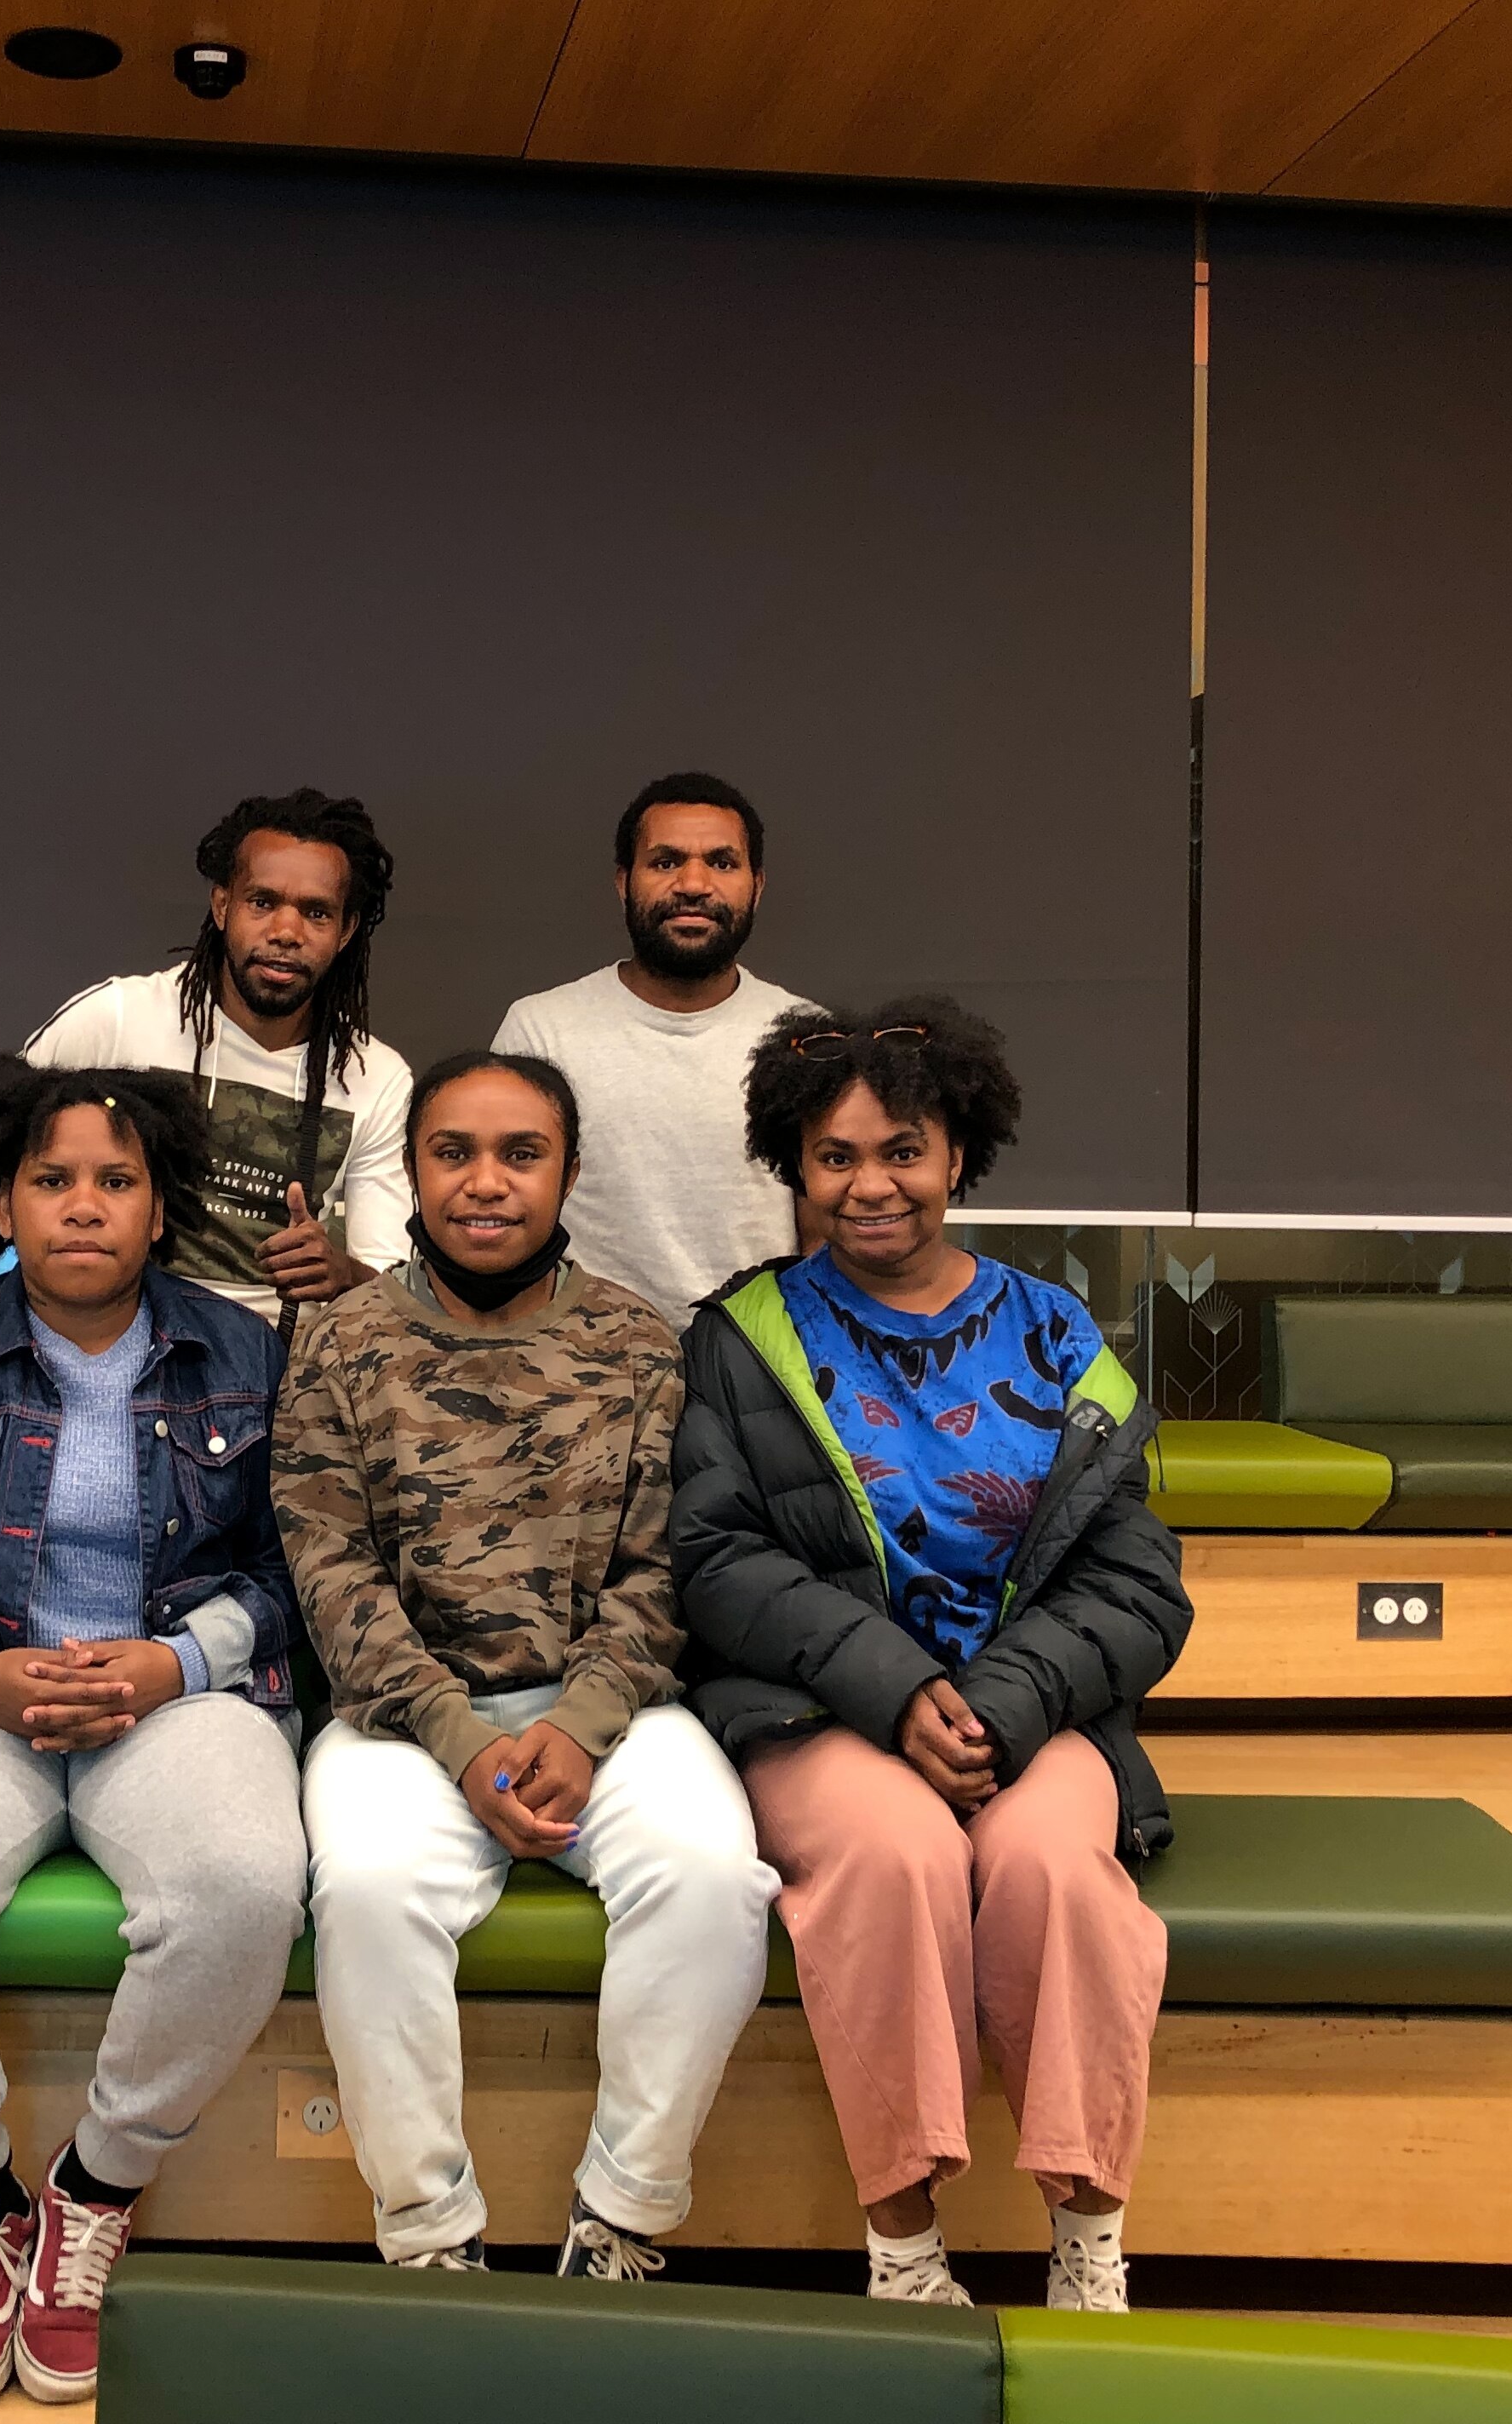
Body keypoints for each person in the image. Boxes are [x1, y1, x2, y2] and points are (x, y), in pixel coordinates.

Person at [668, 998, 1190, 2315]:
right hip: (818, 1709)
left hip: (1035, 1712)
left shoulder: (1062, 1337)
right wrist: (896, 1690)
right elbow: (717, 1563)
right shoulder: (741, 1339)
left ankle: (1089, 2240)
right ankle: (903, 2246)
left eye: (901, 1149)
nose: (869, 1185)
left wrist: (1001, 1705)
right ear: (796, 1167)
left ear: (960, 1153)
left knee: (1050, 1875)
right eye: (834, 1157)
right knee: (897, 1859)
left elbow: (1137, 1583)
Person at [0, 1058, 306, 2415]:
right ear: (3, 1203)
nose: (84, 1206)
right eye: (52, 1179)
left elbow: (294, 1572)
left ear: (161, 1208)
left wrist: (170, 1660)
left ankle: (91, 2194)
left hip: (180, 1700)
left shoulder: (248, 1354)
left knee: (249, 1890)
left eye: (117, 1181)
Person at [276, 1052, 778, 2278]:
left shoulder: (638, 1345)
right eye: (454, 1153)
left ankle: (622, 2216)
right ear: (411, 1171)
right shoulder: (340, 1344)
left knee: (717, 1880)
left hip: (612, 1713)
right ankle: (430, 2234)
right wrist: (466, 1742)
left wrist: (580, 1726)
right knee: (370, 1894)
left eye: (521, 1154)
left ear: (567, 1172)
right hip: (404, 1724)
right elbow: (333, 1575)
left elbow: (666, 1571)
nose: (485, 1184)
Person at [0, 789, 415, 1327]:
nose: (286, 932)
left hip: (276, 1384)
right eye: (263, 902)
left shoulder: (378, 1080)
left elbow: (392, 1284)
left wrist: (343, 1274)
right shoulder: (121, 1017)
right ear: (222, 904)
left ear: (345, 931)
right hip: (111, 1360)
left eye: (316, 913)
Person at [493, 771, 817, 1319]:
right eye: (666, 861)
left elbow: (826, 1233)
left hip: (759, 1362)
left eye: (721, 862)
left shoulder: (806, 1037)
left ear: (757, 885)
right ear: (623, 882)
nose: (693, 883)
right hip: (581, 1366)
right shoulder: (540, 1031)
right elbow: (503, 1218)